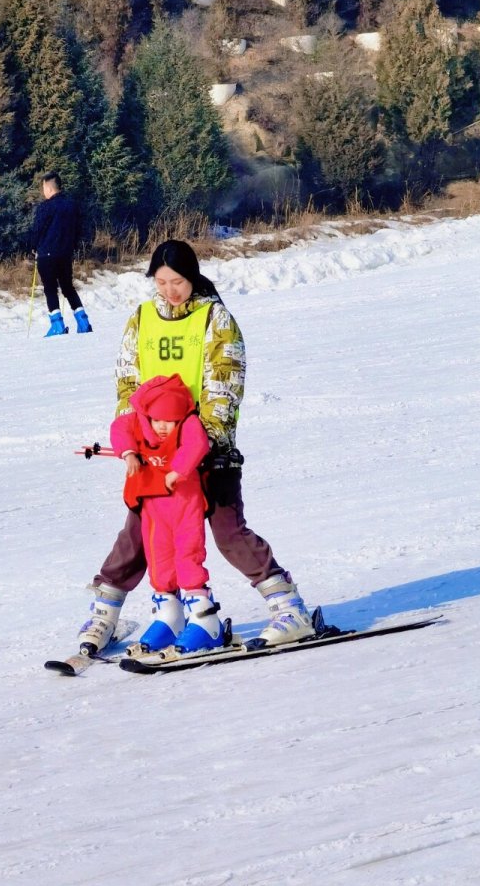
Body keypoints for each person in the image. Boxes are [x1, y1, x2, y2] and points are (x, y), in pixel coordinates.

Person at [77, 238, 315, 655]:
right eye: (162, 281)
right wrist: (137, 438)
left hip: (208, 453)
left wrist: (199, 443)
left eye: (179, 281)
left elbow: (225, 384)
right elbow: (127, 383)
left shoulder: (215, 318)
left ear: (193, 278)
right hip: (155, 456)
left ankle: (289, 608)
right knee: (139, 538)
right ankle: (106, 615)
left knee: (229, 534)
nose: (170, 290)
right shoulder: (141, 319)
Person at [108, 373, 226, 655]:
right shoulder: (139, 422)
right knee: (158, 557)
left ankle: (205, 619)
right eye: (157, 420)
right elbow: (119, 427)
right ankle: (169, 615)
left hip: (185, 505)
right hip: (153, 507)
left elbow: (196, 444)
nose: (162, 427)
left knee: (188, 554)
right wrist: (128, 453)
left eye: (169, 421)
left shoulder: (188, 424)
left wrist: (178, 470)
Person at [33, 171, 93, 336]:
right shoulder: (72, 205)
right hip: (65, 253)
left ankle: (57, 325)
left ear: (49, 188)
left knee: (50, 289)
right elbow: (79, 229)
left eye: (43, 188)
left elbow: (38, 229)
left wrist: (32, 246)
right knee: (68, 287)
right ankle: (83, 321)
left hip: (47, 254)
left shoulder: (46, 207)